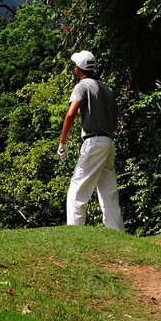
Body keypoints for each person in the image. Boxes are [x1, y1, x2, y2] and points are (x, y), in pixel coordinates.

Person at [58, 50, 125, 231]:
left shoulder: (82, 86)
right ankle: (116, 230)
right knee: (108, 189)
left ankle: (74, 231)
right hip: (108, 142)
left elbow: (71, 113)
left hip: (93, 142)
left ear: (79, 69)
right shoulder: (107, 89)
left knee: (77, 189)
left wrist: (63, 142)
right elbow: (114, 123)